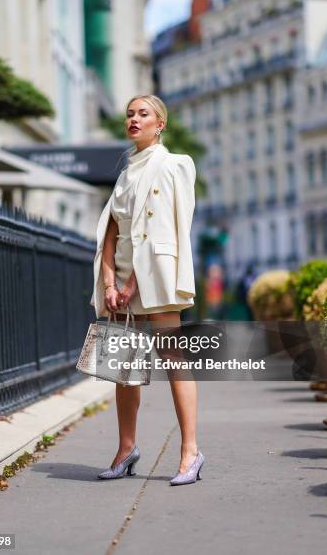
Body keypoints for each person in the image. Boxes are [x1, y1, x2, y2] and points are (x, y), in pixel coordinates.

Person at [90, 94, 205, 486]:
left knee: (173, 356)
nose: (134, 119)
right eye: (129, 114)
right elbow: (110, 233)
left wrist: (133, 282)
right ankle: (126, 449)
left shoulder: (176, 165)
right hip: (120, 280)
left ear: (161, 124)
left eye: (143, 114)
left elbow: (170, 229)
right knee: (124, 369)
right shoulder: (124, 174)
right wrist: (109, 282)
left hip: (155, 275)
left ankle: (190, 451)